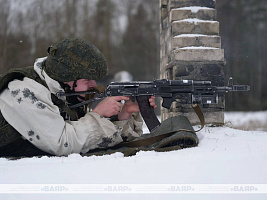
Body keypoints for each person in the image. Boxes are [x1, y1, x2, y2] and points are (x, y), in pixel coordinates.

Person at [0, 37, 156, 156]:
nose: (93, 85)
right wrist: (97, 114)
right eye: (87, 79)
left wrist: (121, 118)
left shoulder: (62, 93)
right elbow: (63, 142)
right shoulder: (24, 92)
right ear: (66, 77)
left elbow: (86, 139)